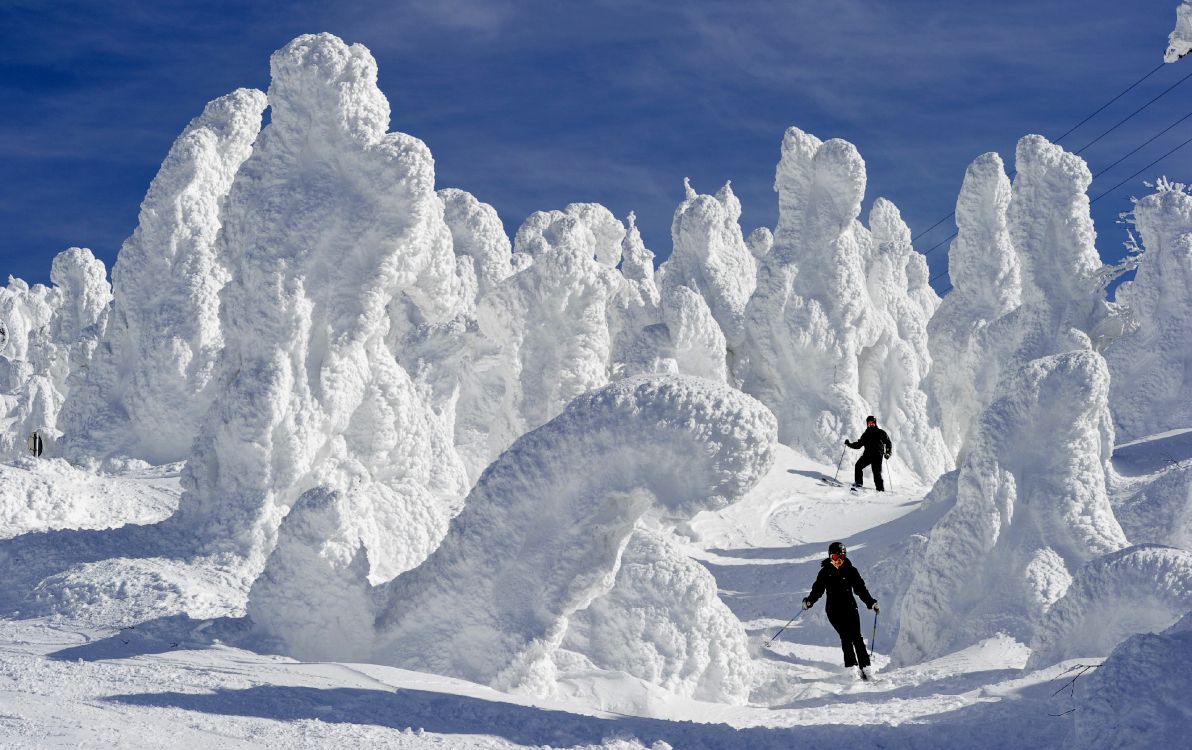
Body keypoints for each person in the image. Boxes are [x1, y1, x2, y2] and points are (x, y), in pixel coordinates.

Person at [802, 541, 879, 680]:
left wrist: (871, 602)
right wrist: (809, 601)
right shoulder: (825, 572)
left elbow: (860, 589)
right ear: (830, 556)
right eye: (835, 557)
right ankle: (852, 669)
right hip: (834, 611)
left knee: (857, 637)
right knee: (846, 638)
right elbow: (817, 590)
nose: (838, 561)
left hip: (850, 608)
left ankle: (866, 668)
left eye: (841, 557)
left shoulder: (851, 570)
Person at [845, 415, 892, 491]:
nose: (871, 425)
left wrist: (888, 452)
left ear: (875, 423)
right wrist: (849, 444)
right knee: (858, 466)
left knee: (876, 473)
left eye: (872, 423)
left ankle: (880, 489)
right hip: (867, 455)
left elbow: (888, 442)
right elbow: (858, 445)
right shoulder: (865, 435)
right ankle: (858, 483)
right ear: (867, 424)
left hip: (877, 456)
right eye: (869, 423)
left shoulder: (880, 432)